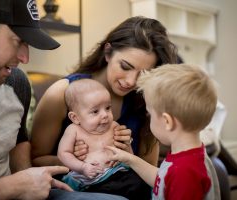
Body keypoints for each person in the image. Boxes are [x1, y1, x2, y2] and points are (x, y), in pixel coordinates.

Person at [0, 0, 128, 200]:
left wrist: (32, 183)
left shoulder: (16, 82)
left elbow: (19, 151)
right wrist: (14, 186)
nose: (25, 58)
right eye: (19, 40)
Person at [31, 15, 178, 199]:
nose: (131, 81)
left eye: (144, 73)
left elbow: (148, 169)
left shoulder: (144, 100)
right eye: (125, 66)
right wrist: (78, 160)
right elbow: (33, 161)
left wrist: (128, 155)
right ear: (108, 53)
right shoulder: (61, 93)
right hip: (74, 186)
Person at [106, 64, 221, 200]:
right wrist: (130, 159)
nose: (149, 119)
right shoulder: (189, 155)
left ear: (167, 121)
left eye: (150, 114)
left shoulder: (185, 174)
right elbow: (163, 180)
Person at [58, 79, 130, 191]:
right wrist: (82, 167)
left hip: (117, 172)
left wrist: (126, 148)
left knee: (139, 183)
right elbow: (63, 154)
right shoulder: (73, 130)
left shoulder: (114, 126)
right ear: (75, 118)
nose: (105, 115)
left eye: (108, 108)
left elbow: (129, 154)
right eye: (95, 111)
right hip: (87, 178)